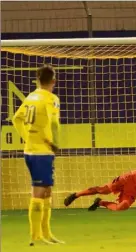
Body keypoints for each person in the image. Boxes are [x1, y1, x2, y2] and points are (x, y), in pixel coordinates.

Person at [12, 65, 63, 245]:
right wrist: (55, 142)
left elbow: (16, 118)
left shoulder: (31, 97)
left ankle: (46, 233)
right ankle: (35, 237)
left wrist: (27, 136)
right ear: (53, 81)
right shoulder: (51, 99)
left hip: (33, 150)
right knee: (38, 192)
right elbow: (54, 122)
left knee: (47, 191)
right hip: (41, 153)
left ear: (37, 80)